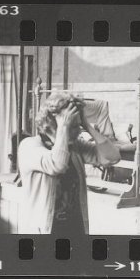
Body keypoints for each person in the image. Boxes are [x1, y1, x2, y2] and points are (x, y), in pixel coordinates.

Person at [14, 94, 119, 235]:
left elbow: (112, 158)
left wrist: (87, 126)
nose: (78, 131)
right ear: (52, 122)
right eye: (73, 125)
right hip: (44, 231)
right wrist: (64, 126)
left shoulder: (74, 147)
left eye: (78, 125)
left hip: (74, 228)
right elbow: (57, 164)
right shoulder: (29, 146)